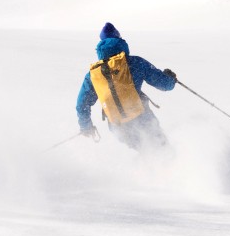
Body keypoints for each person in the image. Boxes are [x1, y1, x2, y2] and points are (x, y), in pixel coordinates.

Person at [76, 22, 177, 152]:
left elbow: (82, 104)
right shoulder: (135, 62)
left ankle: (147, 169)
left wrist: (86, 126)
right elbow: (164, 85)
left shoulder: (94, 74)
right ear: (120, 41)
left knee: (144, 151)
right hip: (142, 117)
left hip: (118, 126)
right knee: (162, 149)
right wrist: (170, 79)